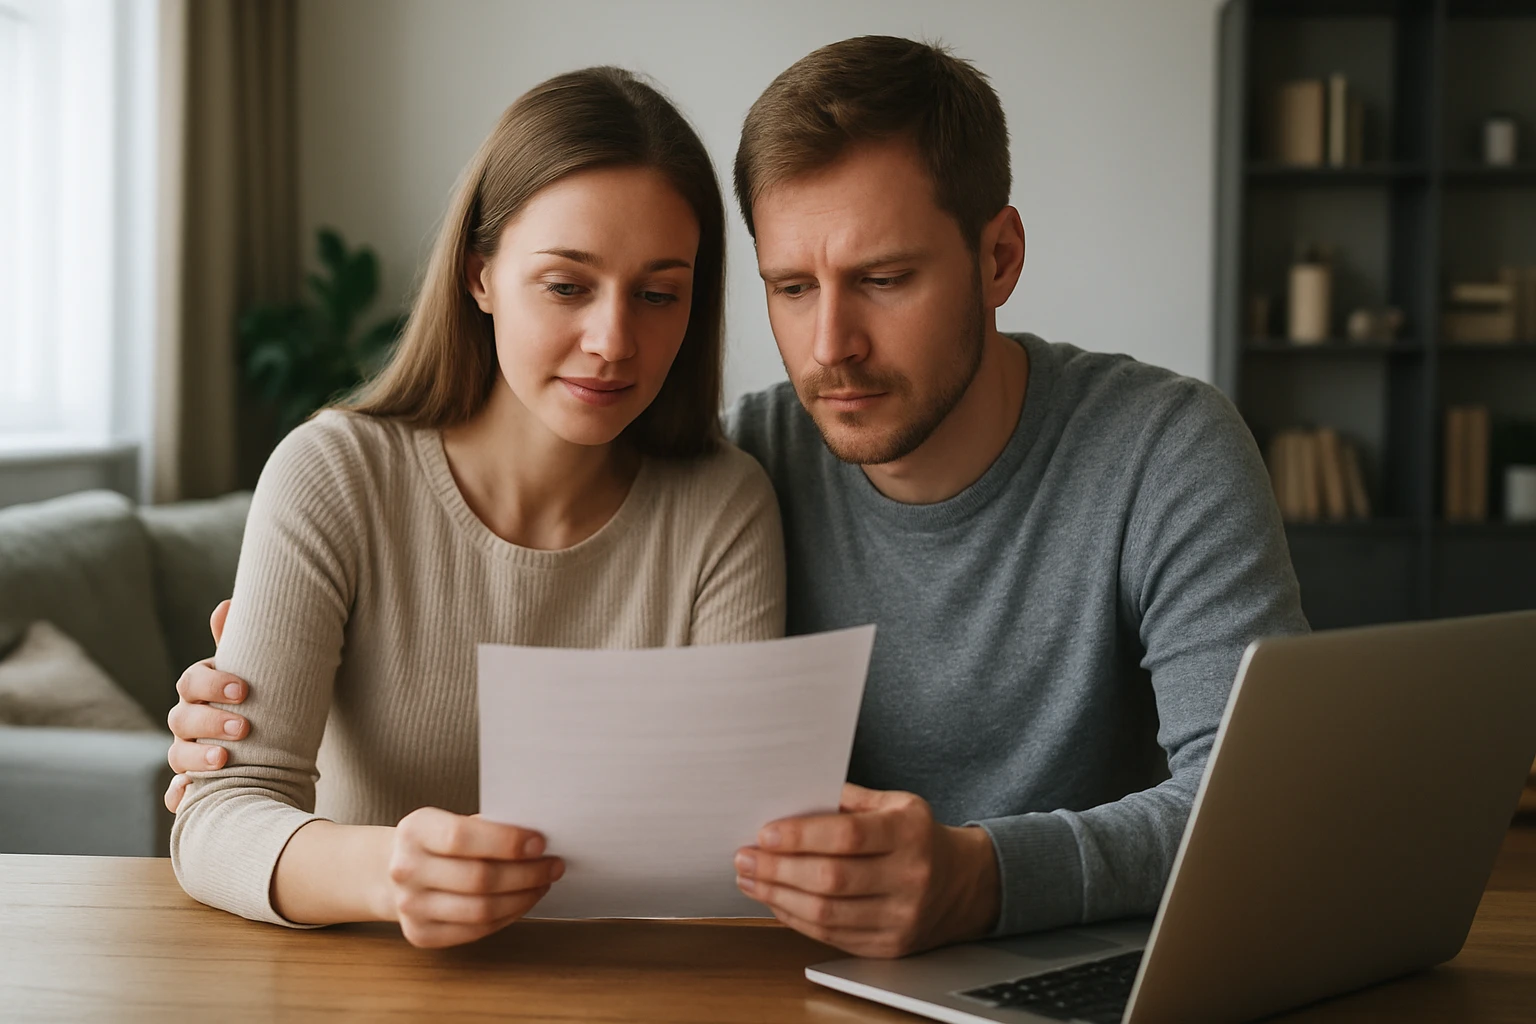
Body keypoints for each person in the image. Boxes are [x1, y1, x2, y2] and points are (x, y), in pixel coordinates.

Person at [164, 37, 1307, 958]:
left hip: (1072, 961)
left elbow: (1260, 809)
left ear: (999, 257)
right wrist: (269, 714)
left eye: (885, 280)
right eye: (791, 287)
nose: (831, 346)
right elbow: (230, 803)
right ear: (479, 273)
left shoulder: (1157, 451)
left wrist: (981, 878)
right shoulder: (760, 456)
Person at [166, 66, 786, 950]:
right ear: (481, 274)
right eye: (568, 285)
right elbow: (216, 817)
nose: (614, 341)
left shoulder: (726, 507)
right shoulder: (334, 474)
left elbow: (729, 838)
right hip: (363, 990)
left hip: (627, 989)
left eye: (658, 294)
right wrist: (391, 872)